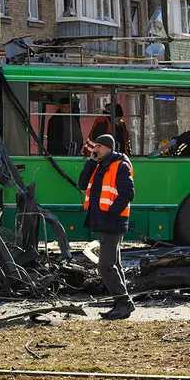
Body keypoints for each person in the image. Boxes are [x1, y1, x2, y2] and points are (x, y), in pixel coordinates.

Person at [78, 134, 136, 320]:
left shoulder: (120, 165)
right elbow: (81, 183)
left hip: (112, 221)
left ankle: (124, 304)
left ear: (108, 148)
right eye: (95, 145)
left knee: (105, 266)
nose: (95, 149)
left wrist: (111, 214)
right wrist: (91, 161)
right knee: (114, 264)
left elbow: (128, 193)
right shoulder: (100, 166)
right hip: (103, 221)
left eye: (99, 146)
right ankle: (122, 303)